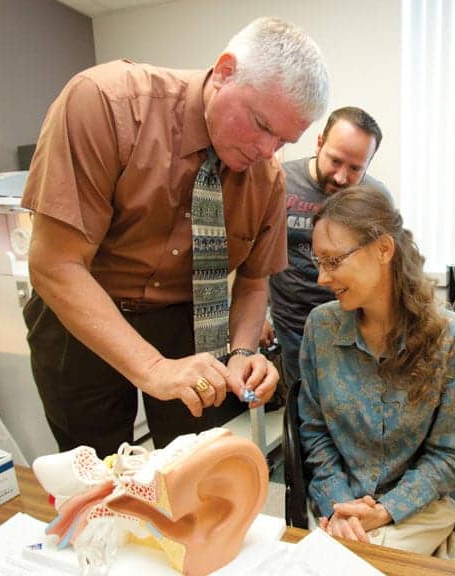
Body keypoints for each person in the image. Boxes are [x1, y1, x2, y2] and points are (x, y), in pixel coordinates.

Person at [21, 17, 329, 457]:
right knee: (98, 478)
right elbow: (54, 263)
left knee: (193, 468)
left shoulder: (268, 178)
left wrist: (241, 352)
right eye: (262, 125)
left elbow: (254, 281)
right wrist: (150, 367)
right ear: (224, 72)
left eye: (284, 140)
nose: (267, 151)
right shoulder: (106, 103)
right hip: (82, 316)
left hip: (187, 324)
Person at [298, 186, 455, 554]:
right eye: (318, 262)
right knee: (360, 555)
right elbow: (315, 435)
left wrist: (386, 511)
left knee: (359, 557)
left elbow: (450, 454)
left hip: (415, 509)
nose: (321, 278)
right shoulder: (321, 328)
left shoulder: (449, 336)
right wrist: (342, 507)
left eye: (333, 261)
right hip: (340, 506)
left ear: (383, 249)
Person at [261, 107, 389, 388]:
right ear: (319, 143)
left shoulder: (375, 199)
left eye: (355, 168)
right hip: (293, 325)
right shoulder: (279, 182)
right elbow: (252, 254)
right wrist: (258, 317)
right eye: (335, 161)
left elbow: (389, 268)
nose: (341, 177)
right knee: (305, 407)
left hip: (355, 326)